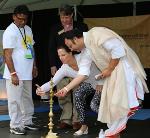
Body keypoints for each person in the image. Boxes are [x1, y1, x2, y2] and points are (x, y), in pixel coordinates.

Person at [54, 28, 149, 138]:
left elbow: (118, 49)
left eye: (71, 46)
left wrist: (109, 68)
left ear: (76, 39)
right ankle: (114, 132)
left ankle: (114, 131)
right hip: (112, 74)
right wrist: (66, 89)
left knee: (121, 103)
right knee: (112, 105)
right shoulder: (86, 51)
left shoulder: (96, 34)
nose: (72, 49)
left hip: (123, 70)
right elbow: (82, 74)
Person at [36, 45, 103, 136]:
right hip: (89, 85)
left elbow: (102, 66)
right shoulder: (64, 68)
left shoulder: (83, 58)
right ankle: (84, 126)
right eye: (59, 56)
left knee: (94, 105)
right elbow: (52, 82)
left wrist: (101, 82)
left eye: (63, 55)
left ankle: (114, 125)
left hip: (102, 82)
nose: (61, 58)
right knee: (78, 95)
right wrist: (40, 89)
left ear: (70, 52)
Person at [48, 4, 88, 129]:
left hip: (78, 65)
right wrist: (53, 65)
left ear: (72, 15)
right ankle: (66, 119)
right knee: (62, 92)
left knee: (77, 92)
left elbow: (85, 45)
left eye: (66, 17)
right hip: (62, 66)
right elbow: (51, 47)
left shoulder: (81, 26)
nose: (64, 20)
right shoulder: (55, 28)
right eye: (62, 17)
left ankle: (77, 119)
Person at [3, 5, 38, 135]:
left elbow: (31, 48)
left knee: (27, 99)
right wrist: (13, 73)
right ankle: (15, 125)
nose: (22, 22)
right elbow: (7, 54)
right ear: (14, 16)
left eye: (25, 19)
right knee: (14, 100)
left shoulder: (28, 29)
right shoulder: (10, 31)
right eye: (20, 19)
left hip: (27, 72)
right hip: (15, 74)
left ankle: (27, 122)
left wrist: (34, 66)